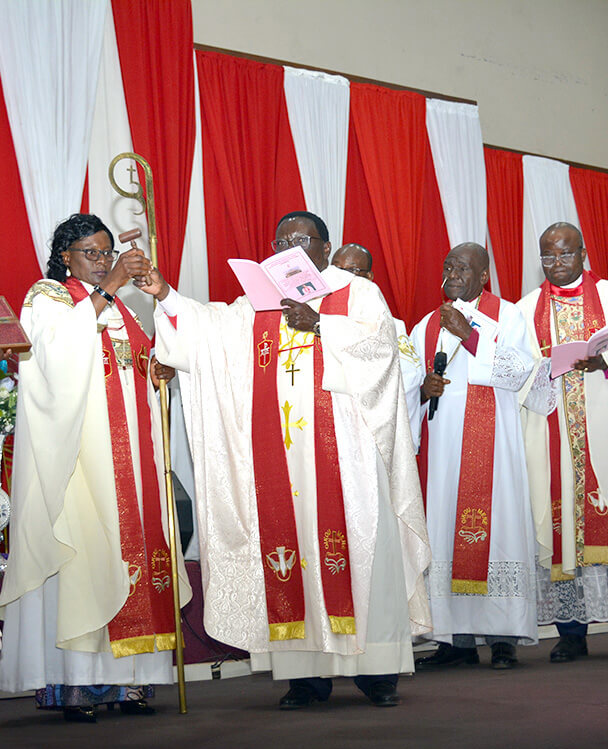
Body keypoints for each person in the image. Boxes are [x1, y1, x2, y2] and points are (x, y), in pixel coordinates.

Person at [138, 211, 431, 709]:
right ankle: (306, 677)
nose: (290, 249)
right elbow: (208, 335)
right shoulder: (255, 302)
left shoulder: (354, 292)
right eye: (281, 241)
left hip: (348, 456)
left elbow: (382, 352)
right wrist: (165, 293)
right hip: (279, 461)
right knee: (290, 555)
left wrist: (321, 324)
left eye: (302, 240)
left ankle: (377, 672)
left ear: (324, 245)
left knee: (362, 553)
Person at [0, 213, 189, 721]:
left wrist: (158, 369)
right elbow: (53, 357)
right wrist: (109, 288)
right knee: (84, 555)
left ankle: (132, 683)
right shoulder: (49, 297)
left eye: (107, 253)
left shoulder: (122, 312)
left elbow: (136, 366)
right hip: (79, 459)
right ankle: (78, 686)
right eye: (91, 252)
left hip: (129, 458)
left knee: (131, 554)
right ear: (66, 256)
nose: (102, 261)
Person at [515, 223, 608, 663]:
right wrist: (539, 368)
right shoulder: (525, 311)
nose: (556, 264)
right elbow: (514, 368)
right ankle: (571, 633)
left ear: (582, 252)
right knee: (561, 525)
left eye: (564, 255)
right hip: (554, 432)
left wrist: (607, 360)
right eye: (547, 257)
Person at [407, 242, 537, 671]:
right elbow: (406, 387)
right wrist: (423, 391)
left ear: (484, 276)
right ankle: (454, 641)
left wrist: (470, 333)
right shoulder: (426, 324)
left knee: (497, 531)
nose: (454, 273)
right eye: (448, 266)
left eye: (465, 267)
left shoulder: (509, 315)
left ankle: (503, 639)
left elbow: (519, 371)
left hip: (493, 448)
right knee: (445, 532)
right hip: (444, 449)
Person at [330, 243, 424, 445]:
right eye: (337, 269)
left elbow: (408, 380)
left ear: (369, 278)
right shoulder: (318, 317)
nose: (343, 277)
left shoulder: (390, 325)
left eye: (353, 271)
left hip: (370, 431)